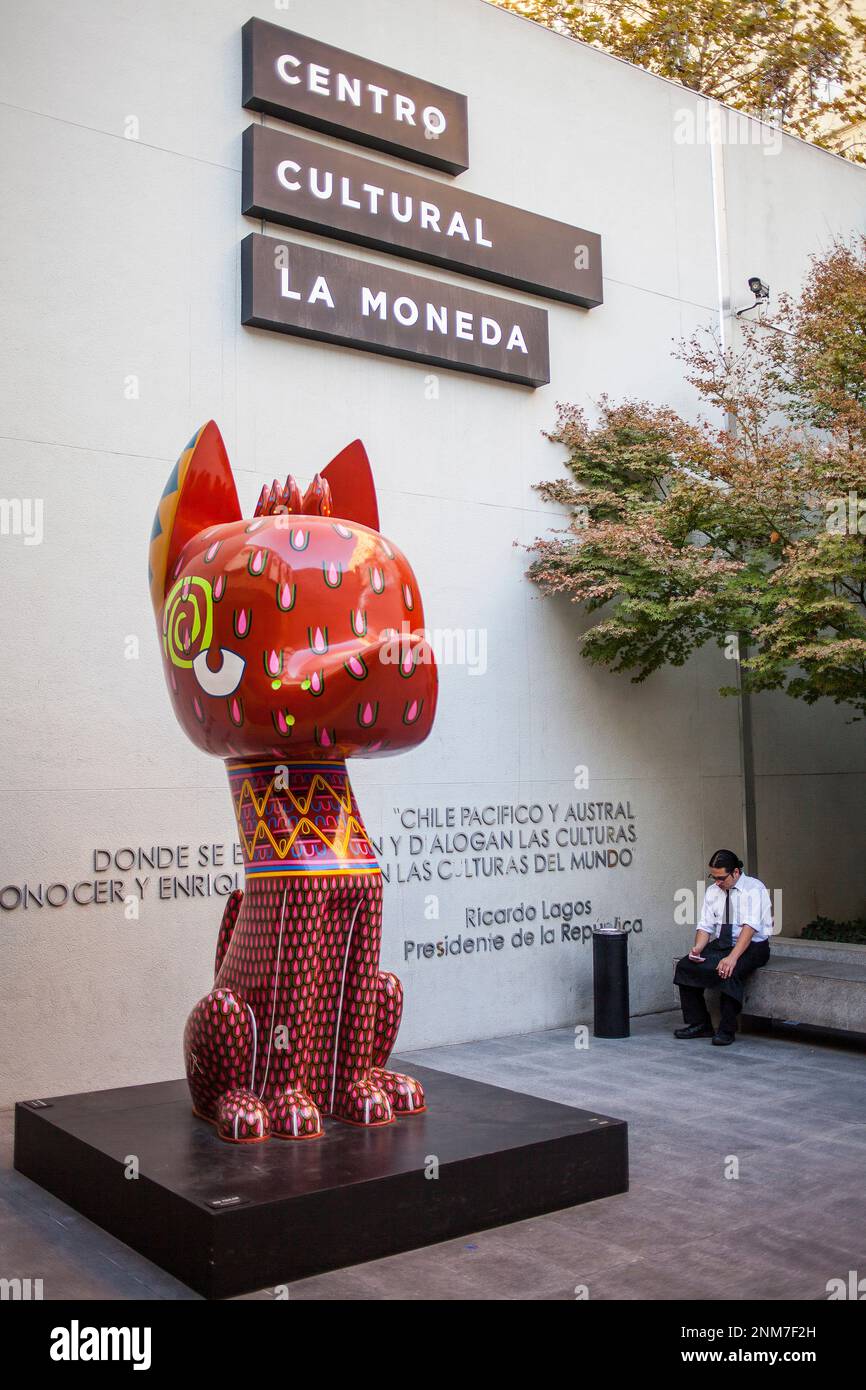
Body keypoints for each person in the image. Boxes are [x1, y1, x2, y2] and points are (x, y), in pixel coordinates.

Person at [673, 849, 772, 1046]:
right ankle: (700, 1024)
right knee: (685, 966)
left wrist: (732, 958)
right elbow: (705, 926)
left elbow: (750, 928)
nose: (717, 882)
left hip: (753, 945)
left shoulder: (755, 889)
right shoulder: (712, 891)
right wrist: (698, 948)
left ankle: (727, 1029)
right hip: (722, 944)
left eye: (721, 878)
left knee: (729, 971)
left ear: (735, 872)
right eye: (713, 877)